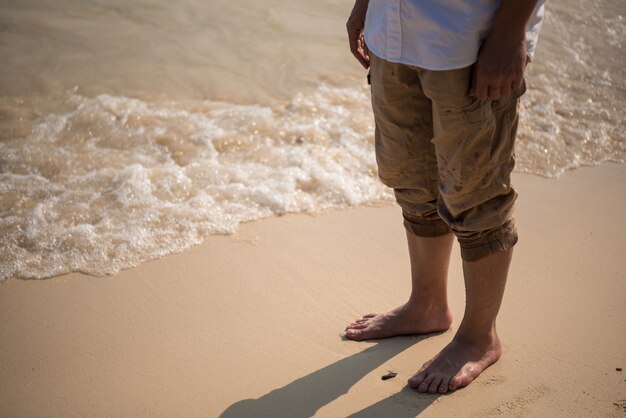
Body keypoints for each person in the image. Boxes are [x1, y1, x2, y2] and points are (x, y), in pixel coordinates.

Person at [344, 0, 546, 394]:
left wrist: (509, 35)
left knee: (476, 195)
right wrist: (362, 6)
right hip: (390, 29)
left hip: (469, 36)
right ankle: (427, 305)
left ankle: (479, 336)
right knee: (412, 178)